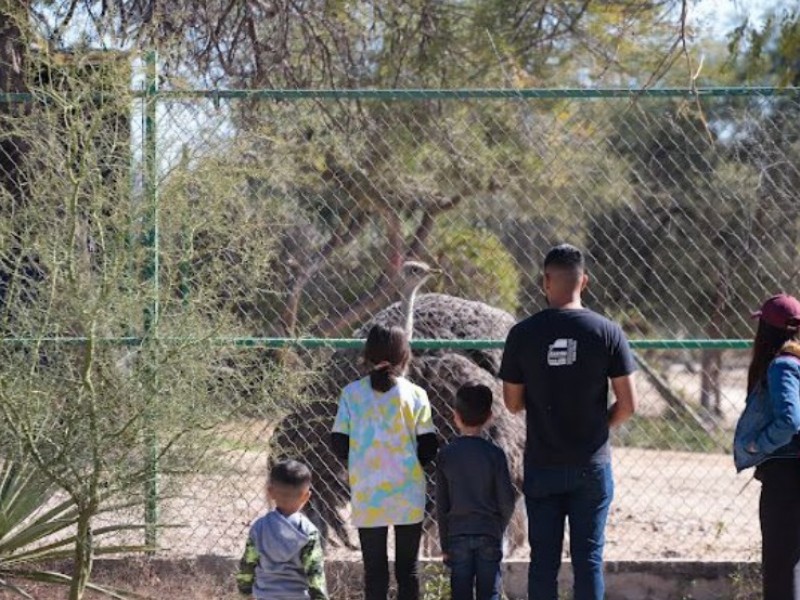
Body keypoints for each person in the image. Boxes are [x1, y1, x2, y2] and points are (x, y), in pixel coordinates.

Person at [498, 243, 637, 600]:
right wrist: (598, 426)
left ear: (545, 281)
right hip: (591, 465)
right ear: (584, 281)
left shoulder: (523, 334)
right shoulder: (608, 332)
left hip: (542, 466)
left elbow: (511, 404)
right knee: (588, 559)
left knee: (543, 561)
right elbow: (628, 404)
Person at [330, 323, 438, 600]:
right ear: (405, 356)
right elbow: (428, 445)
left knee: (374, 570)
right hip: (408, 491)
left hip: (368, 492)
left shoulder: (351, 394)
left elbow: (338, 442)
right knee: (408, 570)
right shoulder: (416, 395)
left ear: (366, 354)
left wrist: (360, 462)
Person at [733, 293, 800, 599]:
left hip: (786, 476)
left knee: (780, 570)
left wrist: (758, 444)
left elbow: (790, 421)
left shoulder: (783, 365)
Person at [436, 382, 516, 600]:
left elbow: (442, 505)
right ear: (490, 416)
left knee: (460, 593)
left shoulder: (446, 455)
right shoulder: (495, 454)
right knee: (490, 591)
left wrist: (444, 543)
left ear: (456, 416)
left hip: (457, 536)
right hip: (489, 533)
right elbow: (507, 501)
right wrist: (497, 527)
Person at [236, 459, 328, 599]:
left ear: (270, 492)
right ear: (306, 496)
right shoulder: (308, 531)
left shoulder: (259, 528)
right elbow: (315, 574)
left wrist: (244, 592)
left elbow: (248, 564)